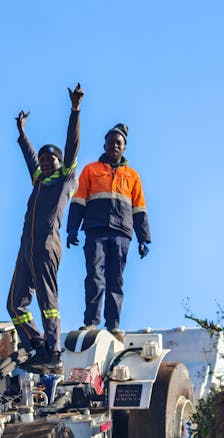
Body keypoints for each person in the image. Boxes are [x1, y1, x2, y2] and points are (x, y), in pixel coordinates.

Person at [6, 83, 84, 373]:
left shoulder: (65, 180)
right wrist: (22, 133)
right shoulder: (39, 181)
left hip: (47, 245)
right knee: (14, 304)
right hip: (26, 248)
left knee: (47, 302)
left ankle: (54, 352)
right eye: (42, 158)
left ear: (61, 162)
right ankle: (37, 345)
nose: (45, 161)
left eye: (50, 157)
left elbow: (73, 144)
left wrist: (75, 110)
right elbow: (29, 158)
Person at [66, 123, 151, 340]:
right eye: (111, 141)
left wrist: (144, 238)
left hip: (122, 233)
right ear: (104, 144)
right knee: (95, 276)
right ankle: (91, 322)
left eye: (119, 142)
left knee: (116, 279)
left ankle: (113, 326)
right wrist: (72, 229)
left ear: (124, 148)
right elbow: (78, 201)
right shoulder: (90, 170)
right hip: (95, 230)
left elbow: (139, 208)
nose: (114, 145)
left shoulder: (132, 176)